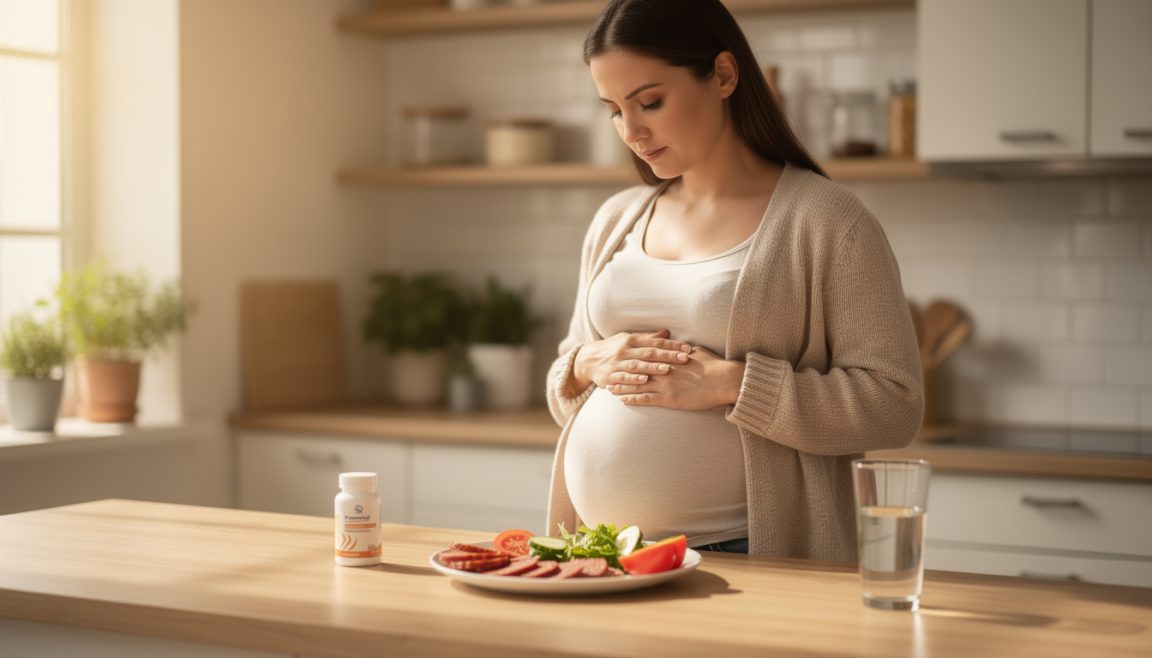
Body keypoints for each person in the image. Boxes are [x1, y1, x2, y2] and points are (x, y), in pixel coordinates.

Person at [543, 0, 923, 563]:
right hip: (599, 555)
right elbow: (567, 373)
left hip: (745, 554)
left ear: (722, 74)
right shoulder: (615, 218)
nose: (632, 130)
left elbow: (895, 404)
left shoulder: (827, 222)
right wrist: (583, 366)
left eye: (650, 101)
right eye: (614, 110)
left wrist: (732, 383)